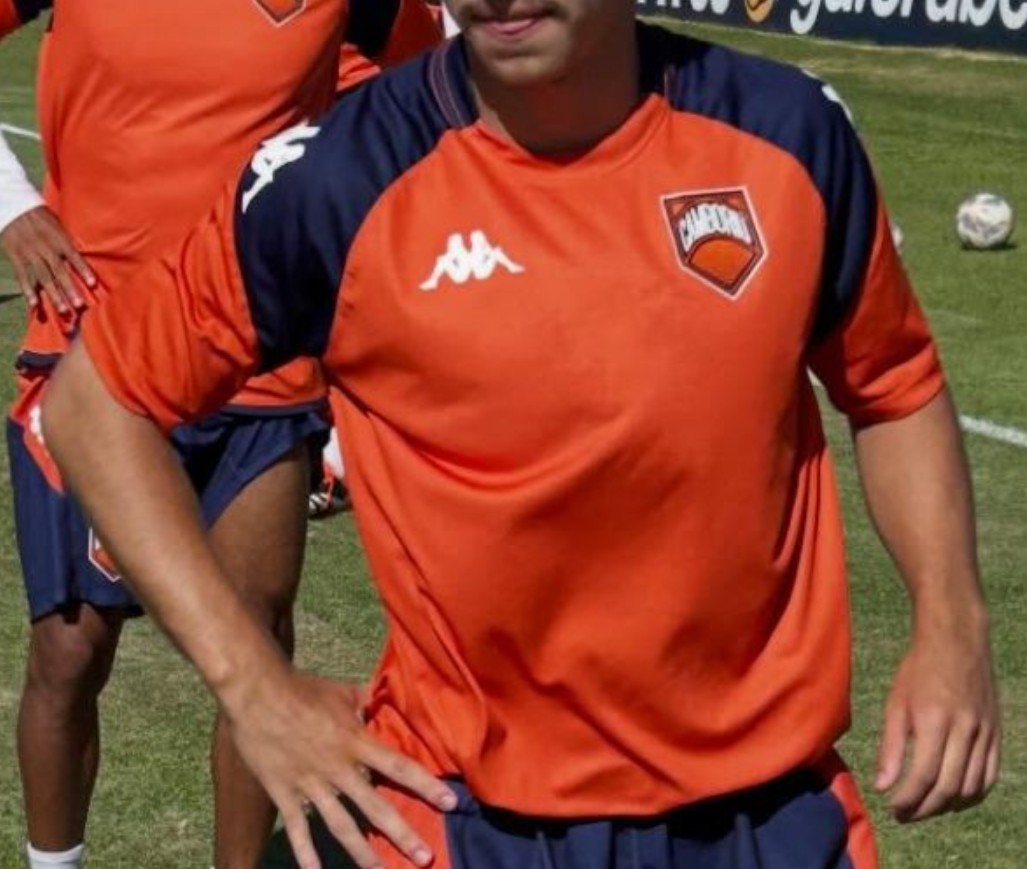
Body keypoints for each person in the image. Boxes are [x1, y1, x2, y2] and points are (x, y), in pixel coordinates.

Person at [41, 2, 1001, 869]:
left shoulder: (786, 132)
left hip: (767, 816)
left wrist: (951, 624)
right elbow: (96, 404)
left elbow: (893, 387)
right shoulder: (341, 176)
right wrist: (251, 684)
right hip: (463, 817)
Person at [0, 3, 438, 869]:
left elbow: (429, 99)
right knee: (71, 646)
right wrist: (11, 205)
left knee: (258, 642)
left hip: (260, 360)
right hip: (92, 339)